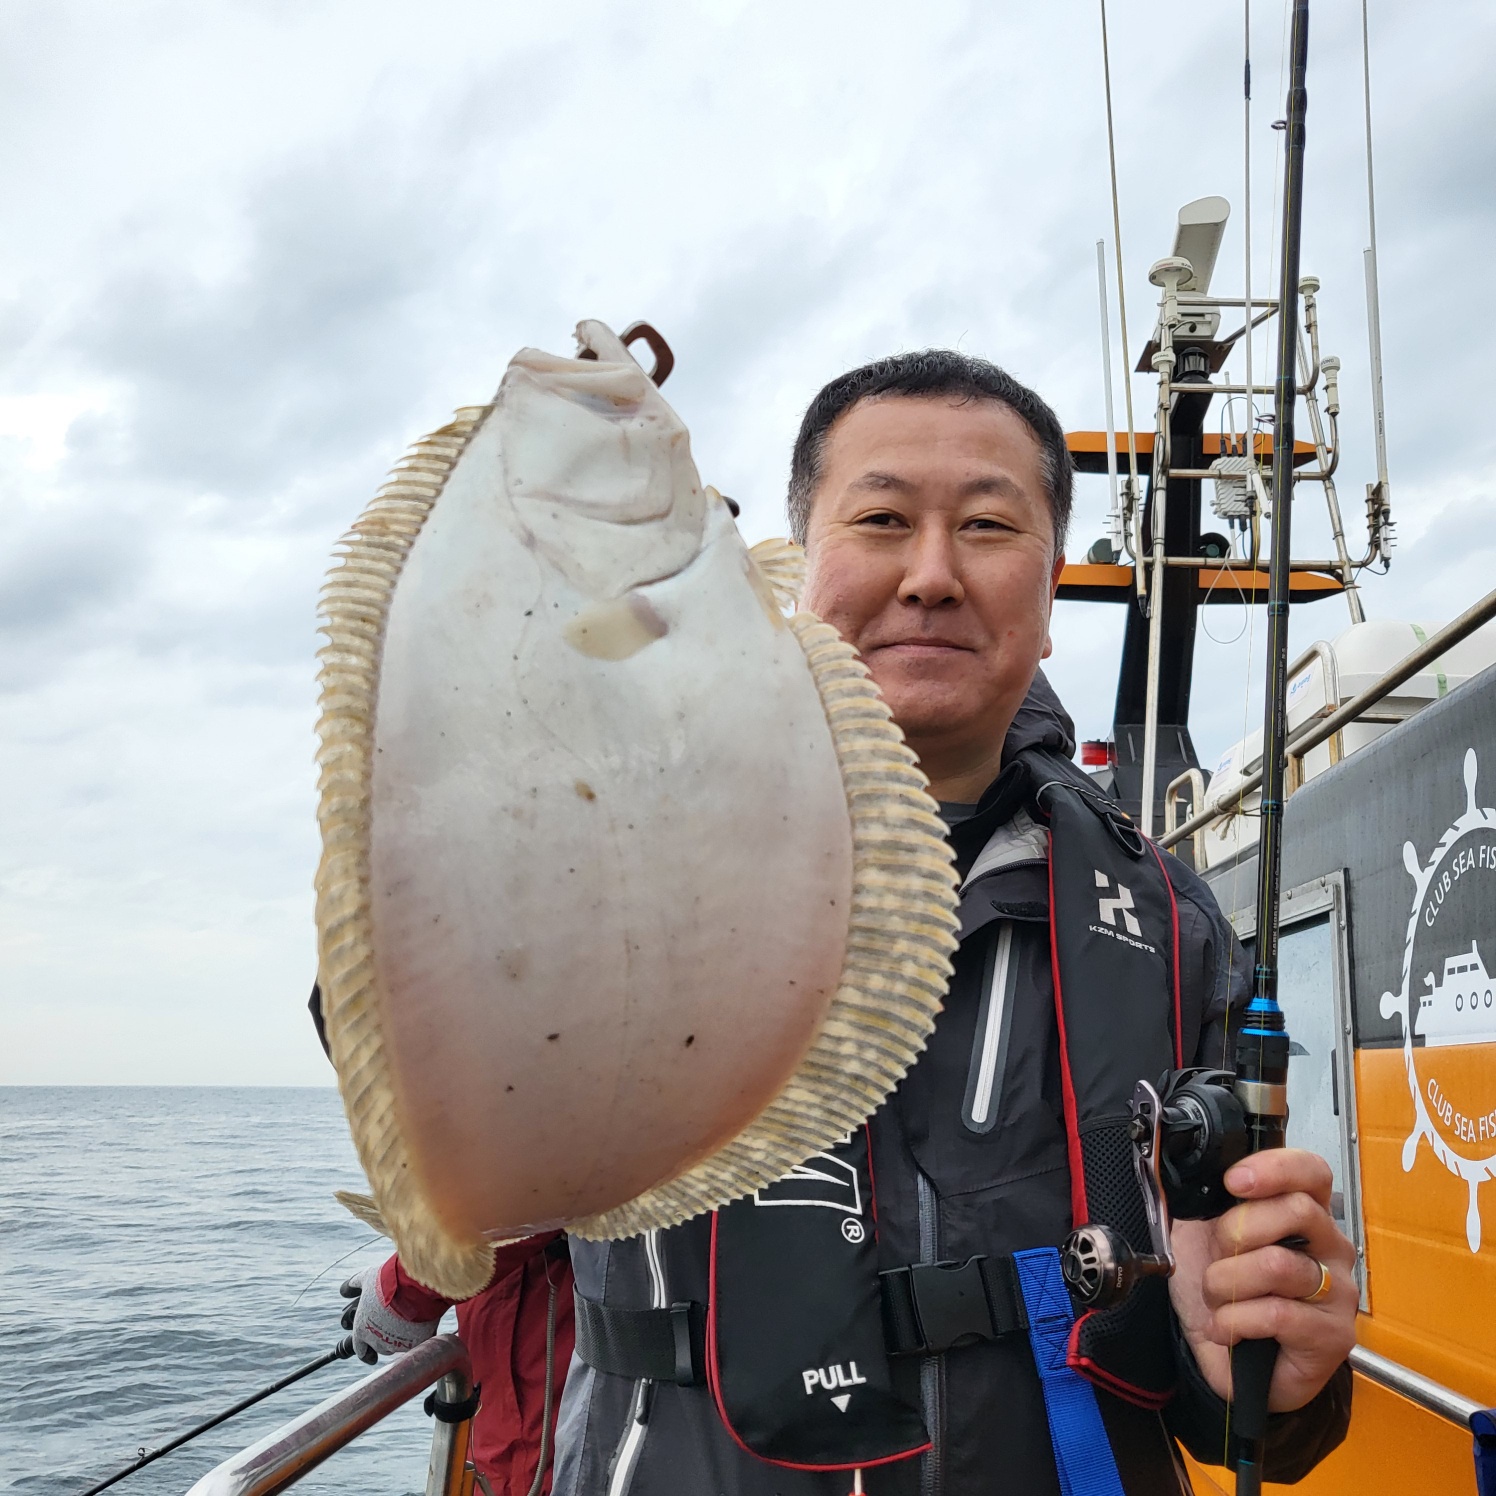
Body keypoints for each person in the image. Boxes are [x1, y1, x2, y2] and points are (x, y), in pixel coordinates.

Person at [548, 352, 1358, 1495]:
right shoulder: (604, 844)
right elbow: (415, 1056)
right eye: (880, 518)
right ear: (797, 563)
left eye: (985, 525)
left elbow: (1232, 1390)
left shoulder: (1170, 922)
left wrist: (1274, 1381)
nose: (929, 575)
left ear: (1048, 586)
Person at [310, 985, 576, 1495]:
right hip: (507, 1444)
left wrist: (403, 1292)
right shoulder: (480, 1110)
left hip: (562, 1455)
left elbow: (536, 1192)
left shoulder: (545, 1095)